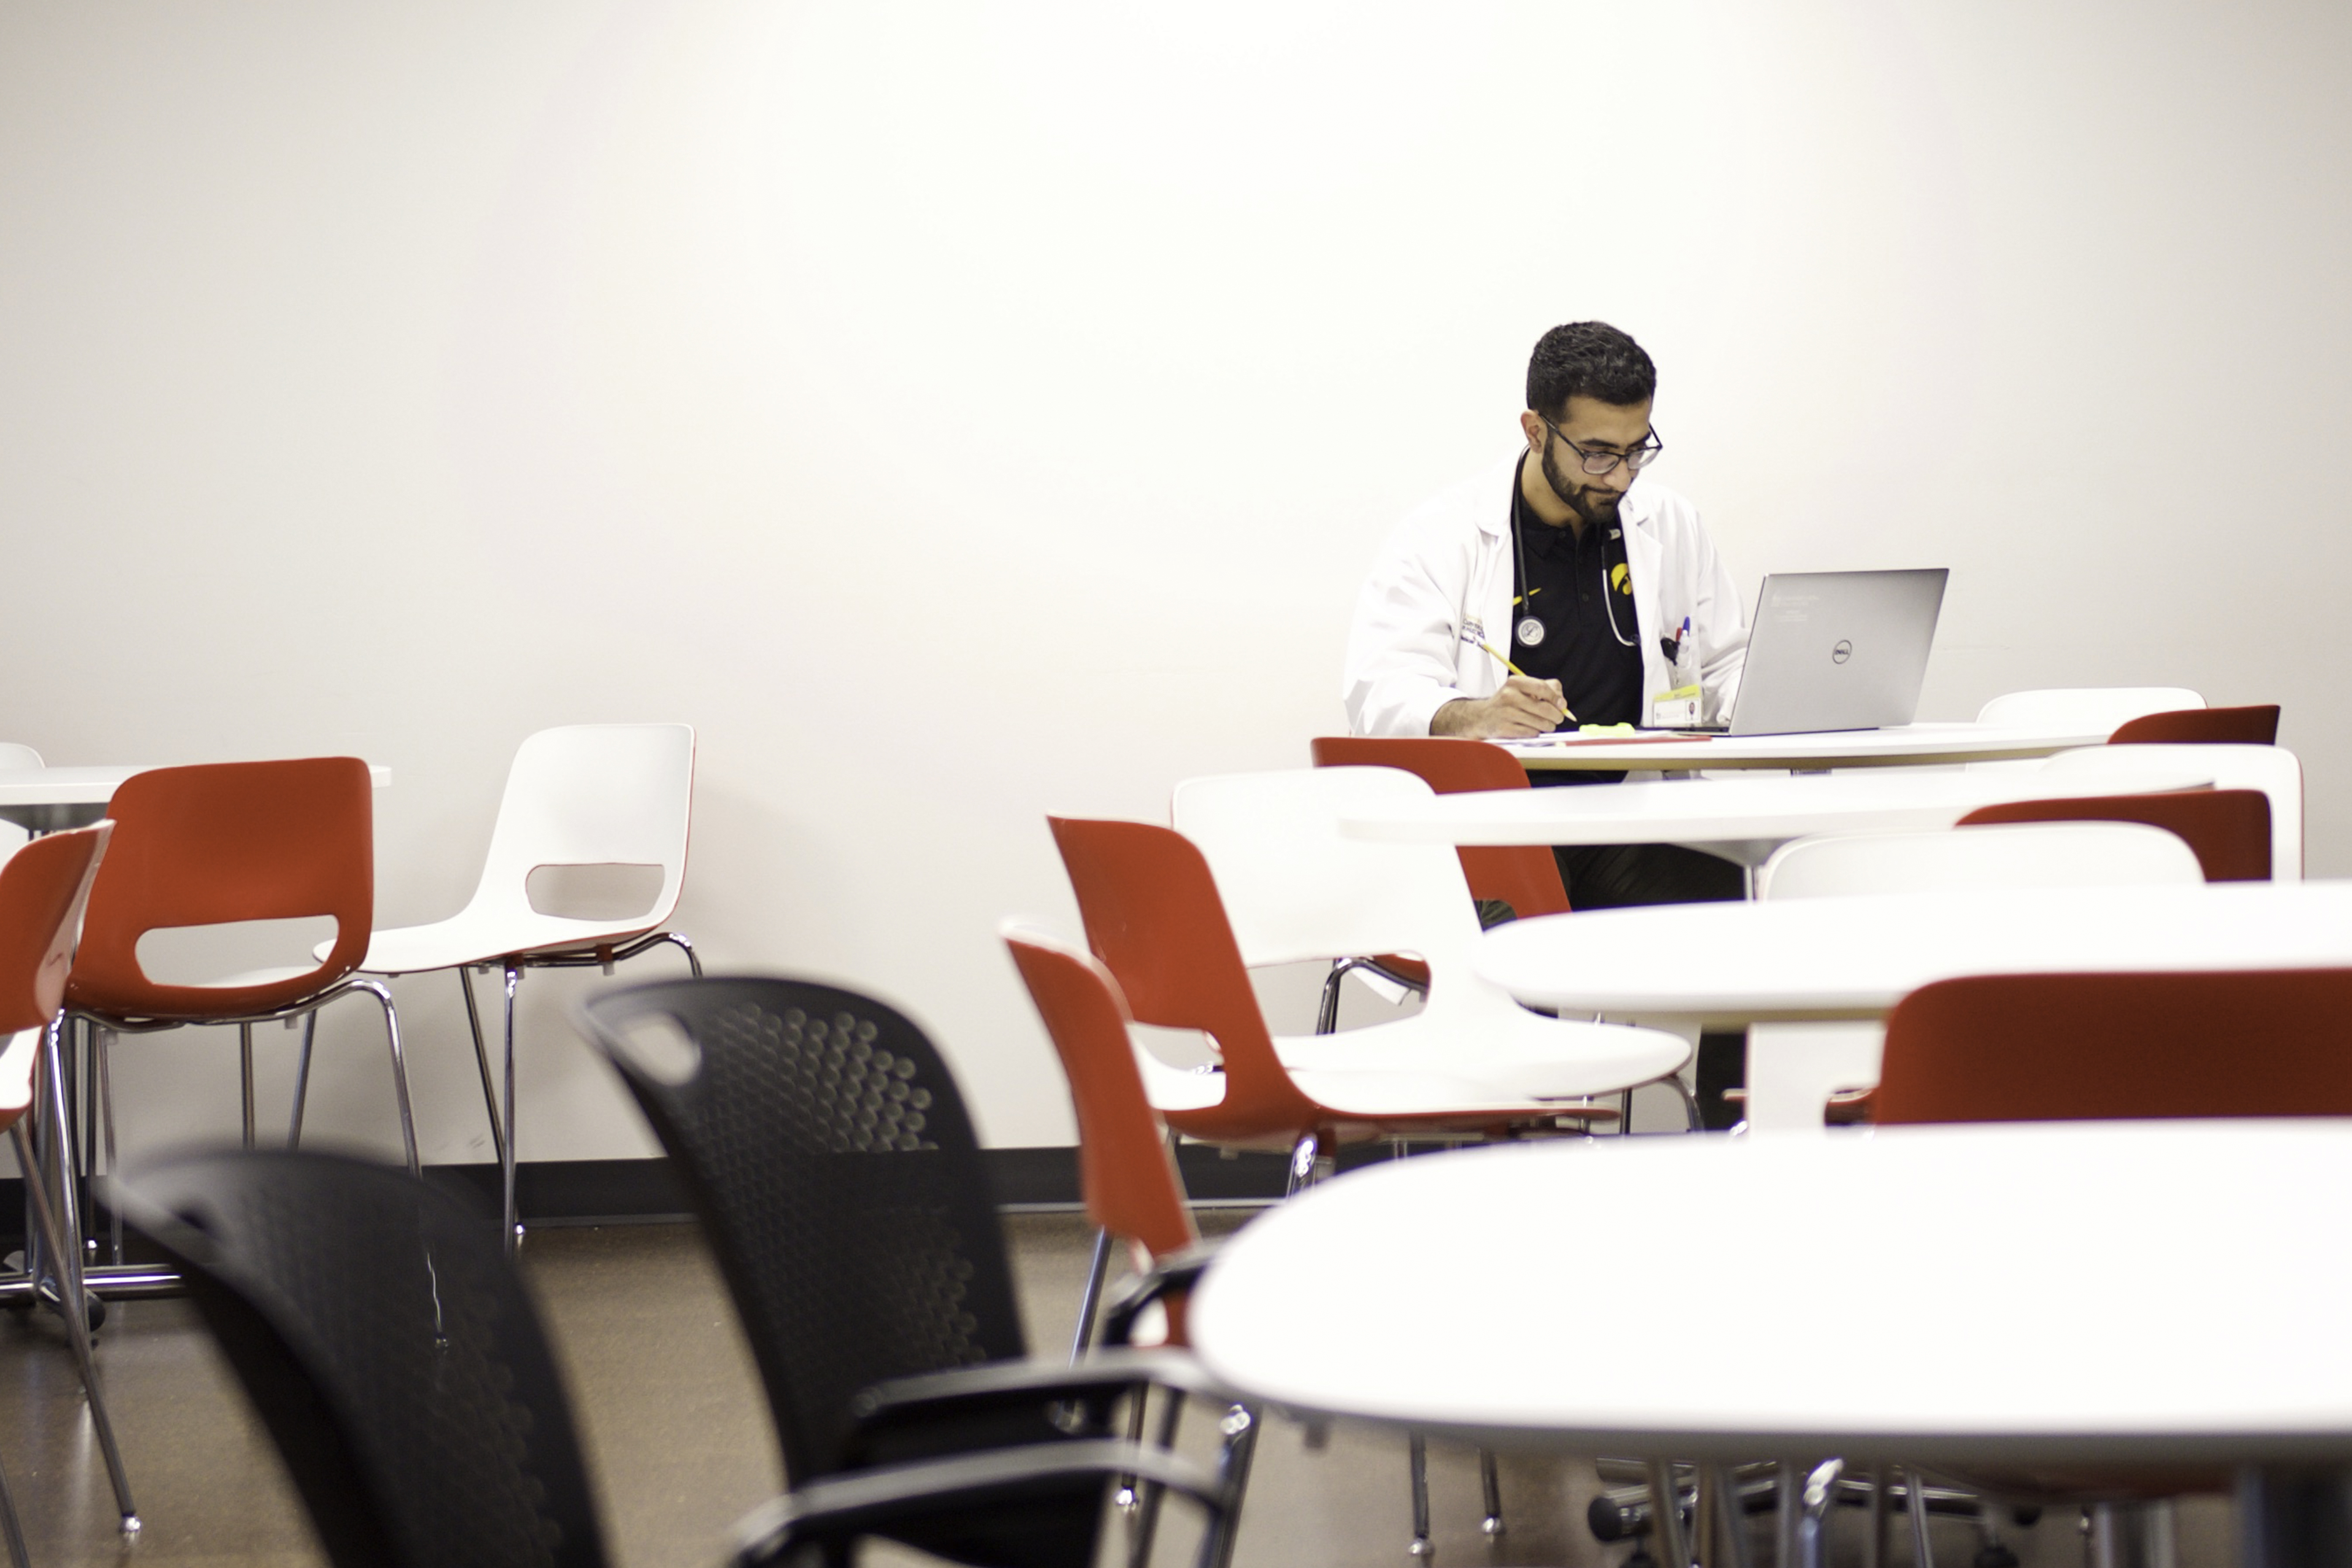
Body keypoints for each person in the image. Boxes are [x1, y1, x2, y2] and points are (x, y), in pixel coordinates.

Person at [1340, 320, 1751, 1123]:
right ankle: (1522, 1167)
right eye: (1598, 452)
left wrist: (1773, 696)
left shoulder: (1668, 525)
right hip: (1496, 840)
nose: (1621, 475)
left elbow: (1724, 658)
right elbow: (1379, 690)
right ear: (1536, 430)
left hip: (1620, 829)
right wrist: (1473, 714)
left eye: (1638, 448)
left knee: (1755, 911)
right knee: (1521, 972)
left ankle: (1737, 1136)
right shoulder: (1444, 535)